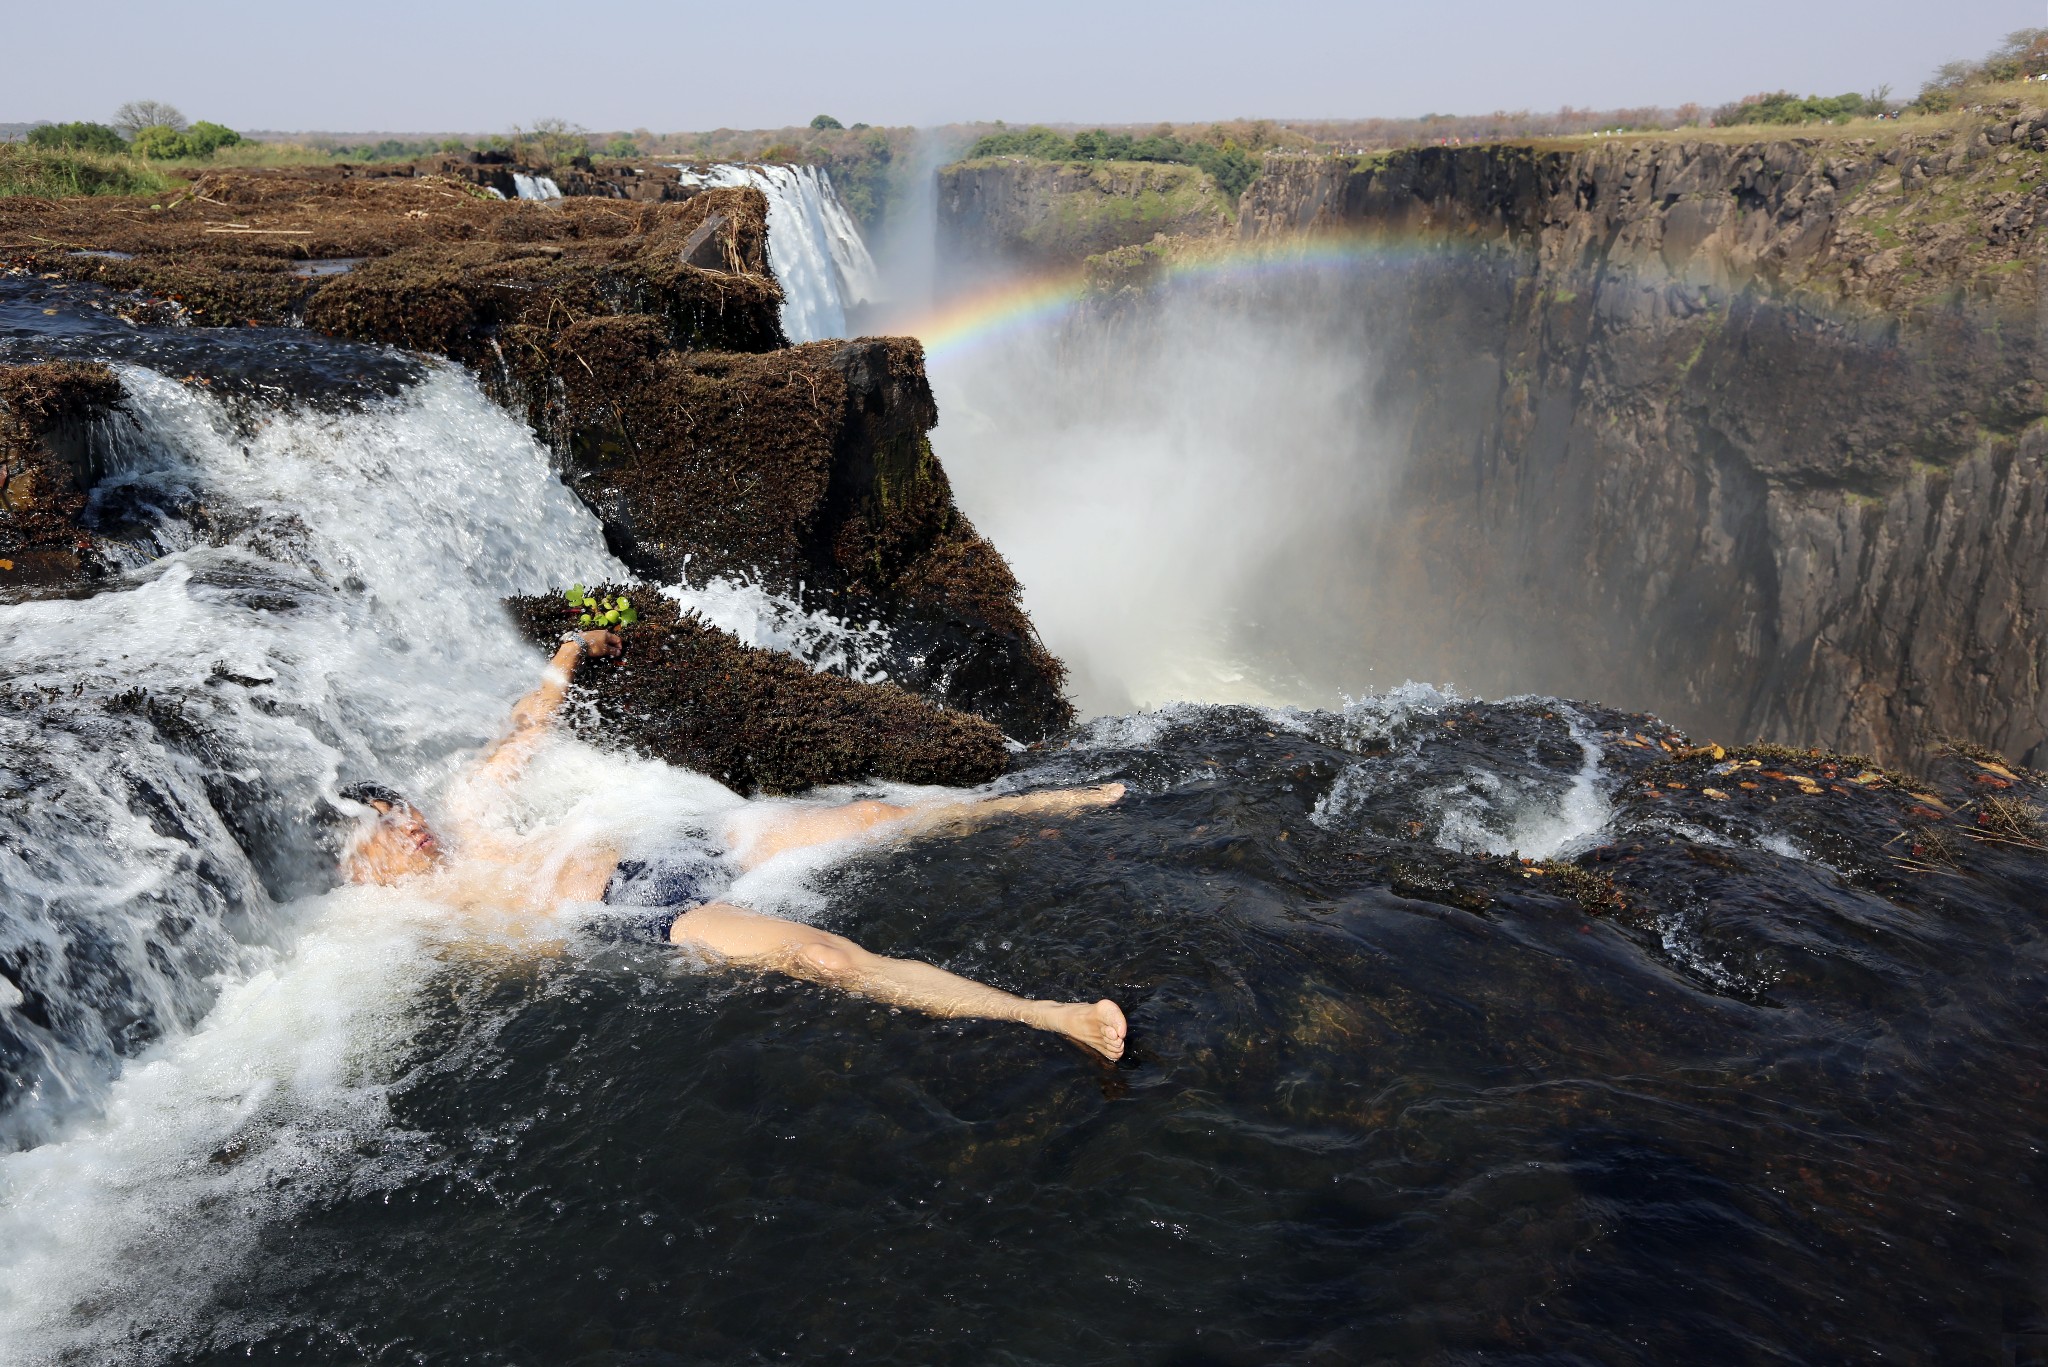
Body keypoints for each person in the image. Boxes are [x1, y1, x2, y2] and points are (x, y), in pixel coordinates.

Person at [340, 628, 1129, 1060]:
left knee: (868, 815)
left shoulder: (464, 809)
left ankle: (1044, 798)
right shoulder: (423, 917)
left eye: (402, 808)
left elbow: (527, 725)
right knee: (827, 959)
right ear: (359, 859)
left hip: (664, 851)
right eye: (389, 825)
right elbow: (532, 954)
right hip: (645, 911)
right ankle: (1048, 1017)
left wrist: (570, 651)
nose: (411, 824)